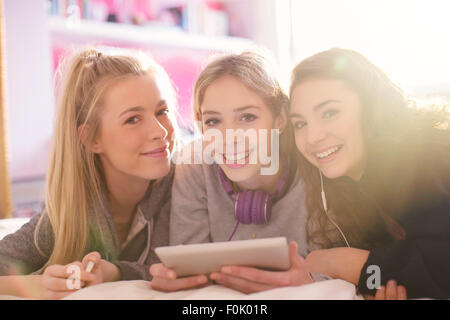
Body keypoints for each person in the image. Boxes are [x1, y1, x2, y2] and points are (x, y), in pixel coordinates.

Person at [0, 48, 177, 299]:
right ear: (92, 139)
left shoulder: (190, 189)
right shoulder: (69, 215)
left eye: (162, 111)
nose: (160, 131)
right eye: (133, 119)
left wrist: (116, 273)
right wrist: (39, 284)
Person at [150, 51, 324, 294]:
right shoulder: (194, 166)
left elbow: (334, 270)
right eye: (213, 122)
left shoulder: (312, 162)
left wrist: (313, 278)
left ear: (280, 119)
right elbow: (189, 268)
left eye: (247, 117)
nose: (229, 139)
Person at [289, 48, 450, 299]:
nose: (313, 137)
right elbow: (399, 274)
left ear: (372, 108)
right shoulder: (356, 182)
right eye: (300, 123)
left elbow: (439, 271)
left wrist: (343, 263)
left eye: (330, 113)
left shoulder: (420, 160)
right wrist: (372, 279)